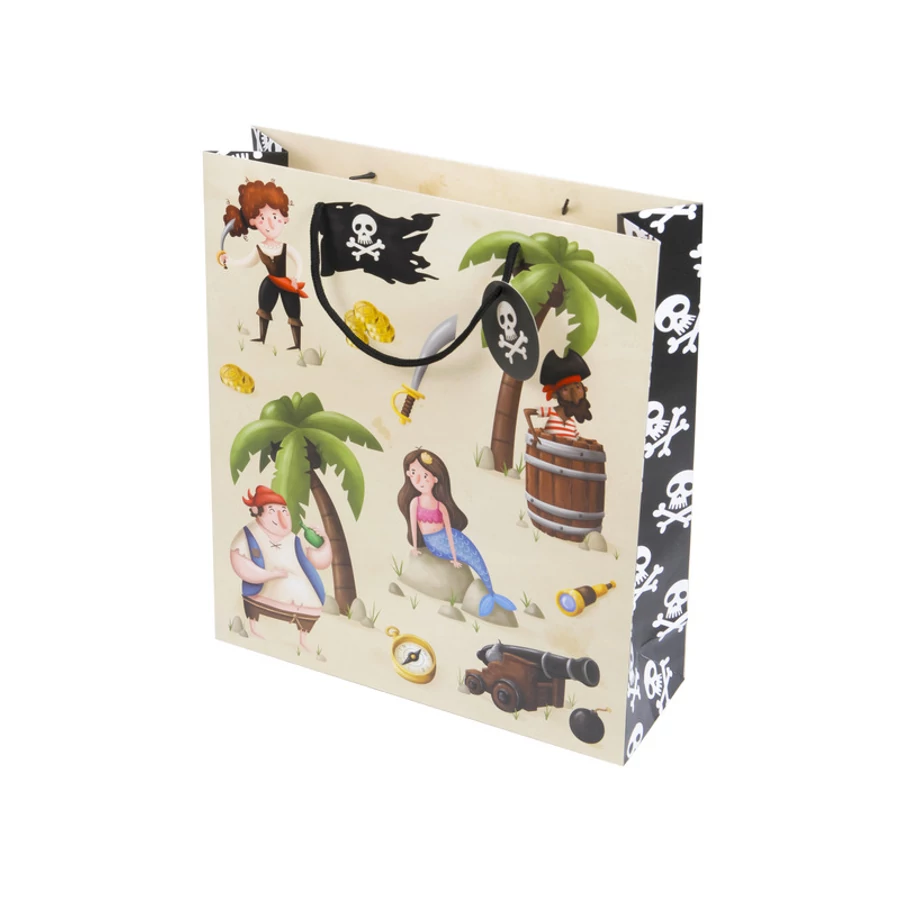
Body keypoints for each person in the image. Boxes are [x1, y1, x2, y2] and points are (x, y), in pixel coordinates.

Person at [397, 449, 515, 616]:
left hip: (450, 538)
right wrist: (415, 548)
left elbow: (449, 532)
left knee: (473, 557)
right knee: (468, 554)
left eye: (425, 475)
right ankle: (489, 596)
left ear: (435, 479)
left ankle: (491, 594)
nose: (418, 480)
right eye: (414, 473)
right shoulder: (414, 502)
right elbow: (414, 527)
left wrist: (454, 557)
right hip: (434, 543)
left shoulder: (440, 506)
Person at [229, 485, 332, 648]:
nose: (281, 516)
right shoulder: (250, 534)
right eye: (272, 510)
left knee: (310, 606)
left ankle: (303, 640)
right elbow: (239, 561)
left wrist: (325, 542)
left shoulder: (294, 540)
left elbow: (320, 562)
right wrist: (269, 575)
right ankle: (254, 627)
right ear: (257, 511)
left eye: (284, 511)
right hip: (263, 590)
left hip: (304, 600)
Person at [218, 180, 307, 350]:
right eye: (262, 219)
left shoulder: (285, 247)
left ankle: (297, 344)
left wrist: (296, 277)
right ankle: (262, 337)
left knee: (293, 310)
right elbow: (247, 262)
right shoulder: (259, 248)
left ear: (284, 218)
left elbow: (298, 260)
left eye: (275, 217)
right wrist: (229, 261)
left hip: (287, 283)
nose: (270, 224)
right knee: (264, 308)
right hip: (270, 283)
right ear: (253, 222)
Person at [523, 348, 593, 440]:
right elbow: (527, 412)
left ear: (584, 389)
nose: (574, 394)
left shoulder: (571, 423)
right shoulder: (551, 412)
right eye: (565, 389)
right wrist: (534, 435)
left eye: (577, 387)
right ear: (556, 394)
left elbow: (577, 440)